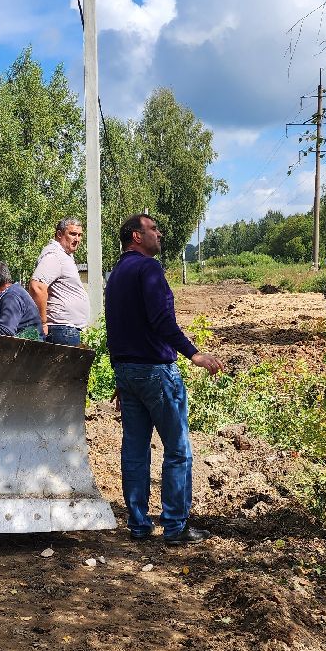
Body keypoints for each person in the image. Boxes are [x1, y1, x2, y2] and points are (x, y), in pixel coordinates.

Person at [105, 213, 224, 545]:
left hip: (128, 372)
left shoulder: (116, 274)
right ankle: (175, 526)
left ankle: (139, 524)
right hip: (156, 372)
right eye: (153, 229)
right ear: (136, 236)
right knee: (178, 449)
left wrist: (121, 374)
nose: (160, 234)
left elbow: (115, 327)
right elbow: (161, 320)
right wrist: (193, 354)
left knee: (135, 450)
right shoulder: (149, 269)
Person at [28, 217, 91, 346]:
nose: (77, 239)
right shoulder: (54, 256)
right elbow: (37, 287)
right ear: (59, 234)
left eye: (80, 235)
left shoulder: (63, 255)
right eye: (72, 234)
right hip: (61, 330)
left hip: (65, 330)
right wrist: (43, 322)